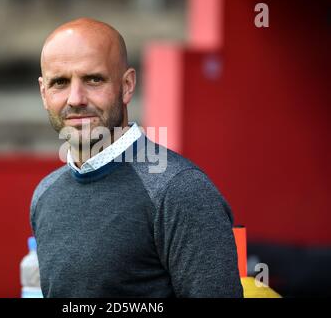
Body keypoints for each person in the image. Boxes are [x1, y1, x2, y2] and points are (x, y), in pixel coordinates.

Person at [30, 18, 243, 298]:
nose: (76, 98)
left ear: (127, 85)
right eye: (60, 82)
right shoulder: (45, 195)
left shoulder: (180, 191)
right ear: (44, 93)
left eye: (94, 79)